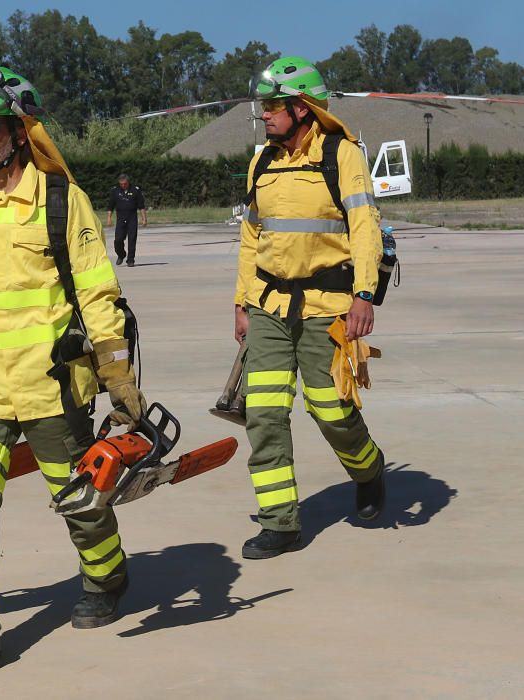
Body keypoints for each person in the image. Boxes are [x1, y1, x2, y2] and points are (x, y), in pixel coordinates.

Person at [0, 66, 146, 674]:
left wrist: (118, 378)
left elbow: (98, 296)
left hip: (49, 389)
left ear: (20, 130)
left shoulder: (63, 200)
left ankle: (108, 576)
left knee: (78, 500)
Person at [233, 56, 386, 560]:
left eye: (273, 105)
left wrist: (363, 294)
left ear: (301, 108)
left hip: (328, 307)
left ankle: (368, 470)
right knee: (264, 413)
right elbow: (251, 237)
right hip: (269, 307)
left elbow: (364, 227)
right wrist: (241, 301)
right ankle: (280, 523)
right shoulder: (263, 161)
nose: (265, 114)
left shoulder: (341, 156)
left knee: (330, 409)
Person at [106, 174, 147, 266]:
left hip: (132, 218)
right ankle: (121, 254)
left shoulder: (135, 190)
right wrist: (109, 218)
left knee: (132, 239)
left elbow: (141, 206)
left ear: (128, 182)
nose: (123, 185)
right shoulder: (115, 191)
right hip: (120, 218)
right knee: (118, 240)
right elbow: (110, 206)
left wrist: (144, 218)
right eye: (121, 184)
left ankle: (131, 260)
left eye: (125, 184)